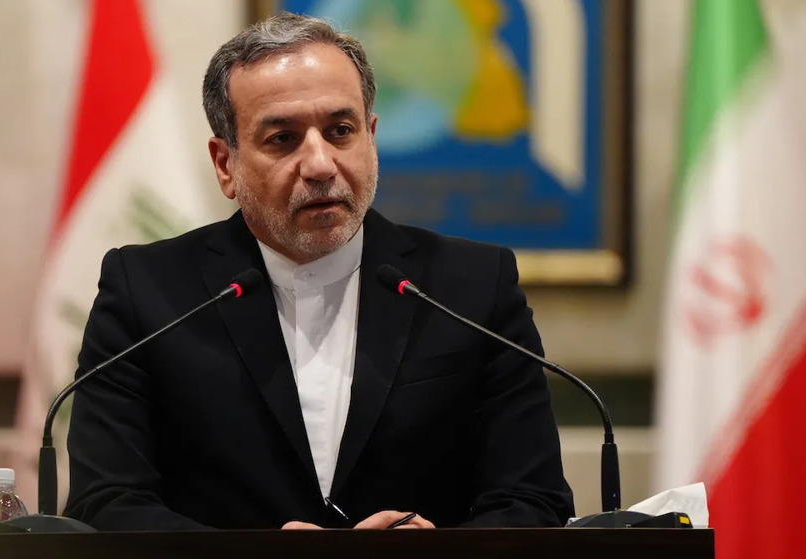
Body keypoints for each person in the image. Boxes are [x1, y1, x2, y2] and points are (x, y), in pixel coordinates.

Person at [64, 12, 574, 531]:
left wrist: (440, 552)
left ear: (371, 138)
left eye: (341, 131)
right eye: (283, 139)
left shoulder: (472, 287)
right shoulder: (146, 291)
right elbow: (105, 503)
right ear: (226, 165)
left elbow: (534, 500)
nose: (320, 164)